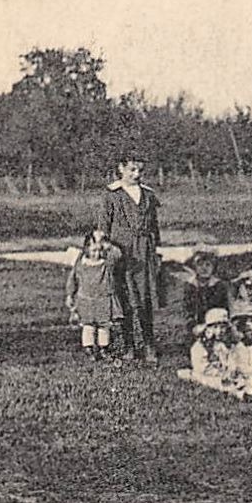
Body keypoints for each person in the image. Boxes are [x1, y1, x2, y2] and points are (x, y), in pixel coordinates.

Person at [93, 148, 162, 363]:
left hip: (144, 251)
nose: (136, 174)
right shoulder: (111, 195)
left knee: (145, 299)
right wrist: (104, 247)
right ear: (121, 168)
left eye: (140, 170)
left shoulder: (148, 195)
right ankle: (129, 345)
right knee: (125, 300)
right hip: (121, 252)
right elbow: (103, 226)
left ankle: (149, 344)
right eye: (132, 169)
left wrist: (156, 250)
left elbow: (154, 225)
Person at [64, 230, 122, 363]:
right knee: (88, 326)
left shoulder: (106, 263)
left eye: (99, 250)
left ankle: (103, 349)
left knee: (104, 326)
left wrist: (105, 242)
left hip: (103, 299)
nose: (97, 254)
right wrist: (70, 294)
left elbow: (118, 254)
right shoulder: (81, 263)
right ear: (86, 249)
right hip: (86, 299)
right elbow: (73, 279)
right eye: (94, 250)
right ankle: (89, 350)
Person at [176, 308, 242, 394]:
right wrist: (220, 373)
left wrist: (231, 370)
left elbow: (232, 360)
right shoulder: (200, 346)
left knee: (241, 379)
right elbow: (202, 367)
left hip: (226, 374)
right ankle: (237, 393)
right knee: (209, 381)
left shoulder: (227, 345)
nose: (219, 331)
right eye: (215, 327)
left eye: (223, 327)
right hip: (209, 375)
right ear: (207, 329)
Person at [171, 248, 229, 336]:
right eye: (200, 265)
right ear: (195, 267)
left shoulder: (219, 286)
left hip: (216, 325)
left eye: (208, 265)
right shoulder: (190, 286)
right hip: (196, 327)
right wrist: (193, 326)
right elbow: (187, 309)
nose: (204, 268)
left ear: (213, 268)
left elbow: (224, 308)